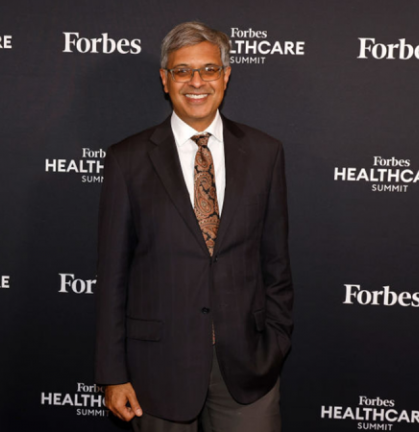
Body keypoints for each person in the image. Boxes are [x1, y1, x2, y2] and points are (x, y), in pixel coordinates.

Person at [94, 21, 293, 432]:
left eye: (209, 69)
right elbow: (113, 276)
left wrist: (275, 341)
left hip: (248, 366)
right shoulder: (126, 159)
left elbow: (276, 262)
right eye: (182, 71)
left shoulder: (265, 152)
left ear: (226, 76)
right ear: (165, 79)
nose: (196, 82)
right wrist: (113, 374)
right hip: (157, 369)